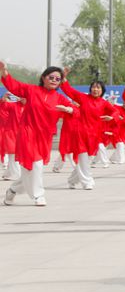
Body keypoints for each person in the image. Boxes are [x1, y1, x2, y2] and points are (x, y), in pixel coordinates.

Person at [1, 63, 74, 206]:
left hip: (44, 137)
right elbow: (14, 85)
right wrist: (4, 72)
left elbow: (75, 111)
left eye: (57, 79)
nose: (54, 80)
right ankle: (38, 195)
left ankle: (13, 190)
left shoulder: (60, 98)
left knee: (30, 170)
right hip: (27, 132)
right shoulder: (32, 90)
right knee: (37, 165)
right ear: (43, 78)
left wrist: (68, 109)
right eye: (51, 77)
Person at [60, 75, 118, 189]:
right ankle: (87, 181)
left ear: (102, 90)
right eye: (93, 87)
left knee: (86, 160)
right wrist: (64, 79)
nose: (95, 89)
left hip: (94, 135)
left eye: (98, 88)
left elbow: (115, 111)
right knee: (83, 158)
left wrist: (112, 117)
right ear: (90, 88)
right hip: (80, 133)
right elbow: (69, 91)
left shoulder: (104, 103)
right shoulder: (83, 98)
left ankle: (72, 180)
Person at [0, 93, 24, 180]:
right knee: (13, 155)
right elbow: (3, 106)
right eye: (22, 97)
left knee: (14, 156)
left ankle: (8, 174)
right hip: (11, 133)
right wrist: (4, 98)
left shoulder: (30, 107)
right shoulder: (14, 106)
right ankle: (17, 175)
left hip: (22, 135)